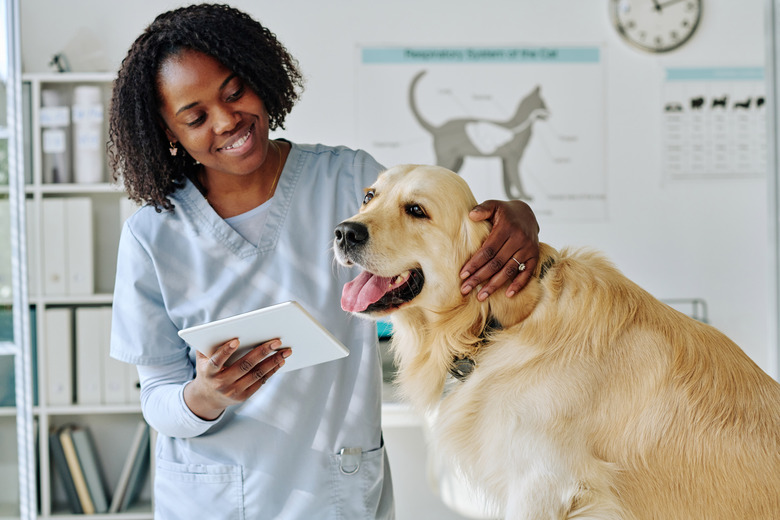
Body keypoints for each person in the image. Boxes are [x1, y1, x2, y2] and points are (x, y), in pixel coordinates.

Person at [107, 4, 540, 519]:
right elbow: (158, 399)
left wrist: (516, 216)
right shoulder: (151, 236)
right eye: (196, 117)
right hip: (214, 498)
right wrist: (203, 395)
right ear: (168, 133)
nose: (226, 121)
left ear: (259, 75)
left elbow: (444, 236)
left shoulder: (351, 181)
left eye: (234, 91)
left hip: (335, 490)